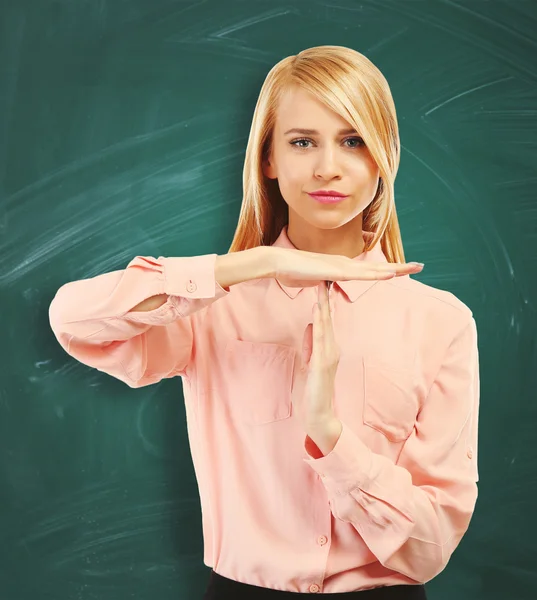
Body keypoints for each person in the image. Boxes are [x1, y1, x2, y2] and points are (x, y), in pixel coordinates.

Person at [48, 46, 480, 599]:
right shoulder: (211, 305)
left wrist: (330, 437)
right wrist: (258, 263)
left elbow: (432, 544)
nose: (328, 166)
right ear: (268, 159)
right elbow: (73, 320)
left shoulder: (441, 320)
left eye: (352, 140)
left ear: (383, 157)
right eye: (302, 142)